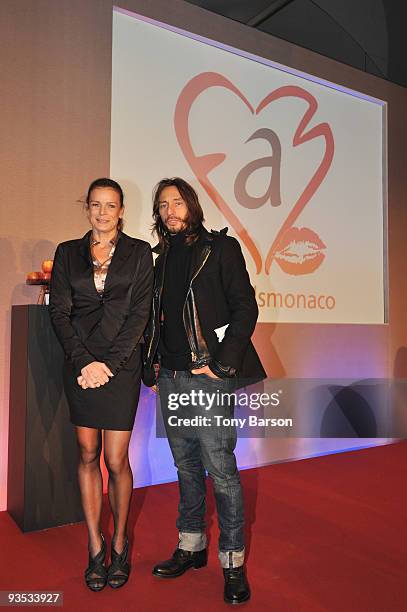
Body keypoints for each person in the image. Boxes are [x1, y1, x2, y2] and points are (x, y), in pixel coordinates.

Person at [143, 177, 266, 604]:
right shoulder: (157, 259)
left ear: (192, 207)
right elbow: (154, 316)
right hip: (172, 377)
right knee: (186, 467)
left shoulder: (219, 248)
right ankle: (191, 545)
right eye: (163, 206)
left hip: (207, 376)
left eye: (177, 202)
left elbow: (245, 306)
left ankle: (232, 561)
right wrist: (153, 363)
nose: (170, 211)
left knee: (222, 471)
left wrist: (223, 364)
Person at [49, 178, 153, 592]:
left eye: (111, 206)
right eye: (96, 205)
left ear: (122, 210)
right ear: (87, 208)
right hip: (79, 366)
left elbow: (140, 314)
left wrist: (107, 365)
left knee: (115, 459)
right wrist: (84, 362)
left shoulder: (139, 253)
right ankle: (95, 546)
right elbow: (59, 312)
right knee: (87, 452)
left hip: (120, 367)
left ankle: (121, 542)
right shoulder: (66, 252)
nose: (103, 212)